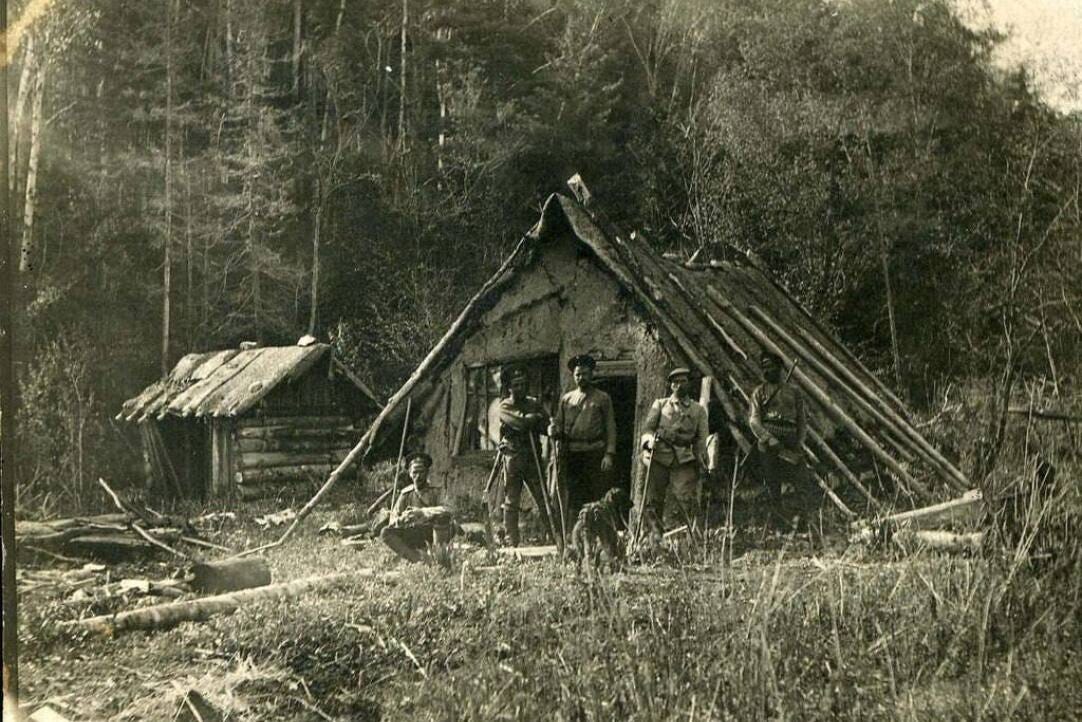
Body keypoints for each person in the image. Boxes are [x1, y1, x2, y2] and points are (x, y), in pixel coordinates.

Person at [638, 367, 709, 543]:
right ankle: (653, 539)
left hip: (683, 458)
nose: (679, 385)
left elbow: (702, 438)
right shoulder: (660, 405)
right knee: (653, 500)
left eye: (683, 381)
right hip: (659, 456)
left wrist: (703, 458)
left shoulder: (698, 410)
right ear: (670, 386)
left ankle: (690, 539)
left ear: (689, 384)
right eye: (675, 382)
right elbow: (647, 428)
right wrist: (648, 442)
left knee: (686, 499)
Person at [548, 354, 617, 524]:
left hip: (595, 452)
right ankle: (577, 533)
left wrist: (609, 454)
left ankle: (598, 531)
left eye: (585, 374)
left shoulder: (602, 398)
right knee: (574, 496)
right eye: (578, 374)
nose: (581, 378)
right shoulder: (567, 399)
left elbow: (611, 427)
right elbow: (558, 424)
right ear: (573, 376)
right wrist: (552, 430)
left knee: (596, 495)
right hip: (573, 455)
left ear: (592, 374)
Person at [748, 350, 810, 524]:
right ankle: (778, 520)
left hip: (790, 439)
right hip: (769, 442)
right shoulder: (759, 392)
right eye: (764, 367)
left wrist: (799, 441)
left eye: (770, 366)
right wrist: (768, 438)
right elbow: (754, 421)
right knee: (772, 482)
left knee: (801, 480)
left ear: (780, 368)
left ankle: (801, 519)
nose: (767, 371)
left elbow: (802, 420)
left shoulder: (794, 392)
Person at [496, 368, 553, 546]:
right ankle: (511, 539)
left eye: (522, 384)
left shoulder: (533, 403)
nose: (520, 388)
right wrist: (534, 418)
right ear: (509, 388)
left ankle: (554, 534)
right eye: (516, 385)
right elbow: (520, 423)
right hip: (513, 458)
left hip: (532, 456)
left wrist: (547, 425)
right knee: (512, 499)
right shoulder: (504, 406)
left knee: (542, 496)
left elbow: (545, 423)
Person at [380, 452, 458, 562]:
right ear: (410, 474)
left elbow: (449, 509)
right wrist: (401, 520)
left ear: (427, 473)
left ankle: (438, 557)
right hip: (414, 532)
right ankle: (418, 559)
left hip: (434, 531)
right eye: (415, 472)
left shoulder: (436, 490)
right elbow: (393, 518)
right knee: (386, 532)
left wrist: (422, 512)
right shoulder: (406, 494)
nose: (418, 476)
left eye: (421, 472)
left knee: (443, 519)